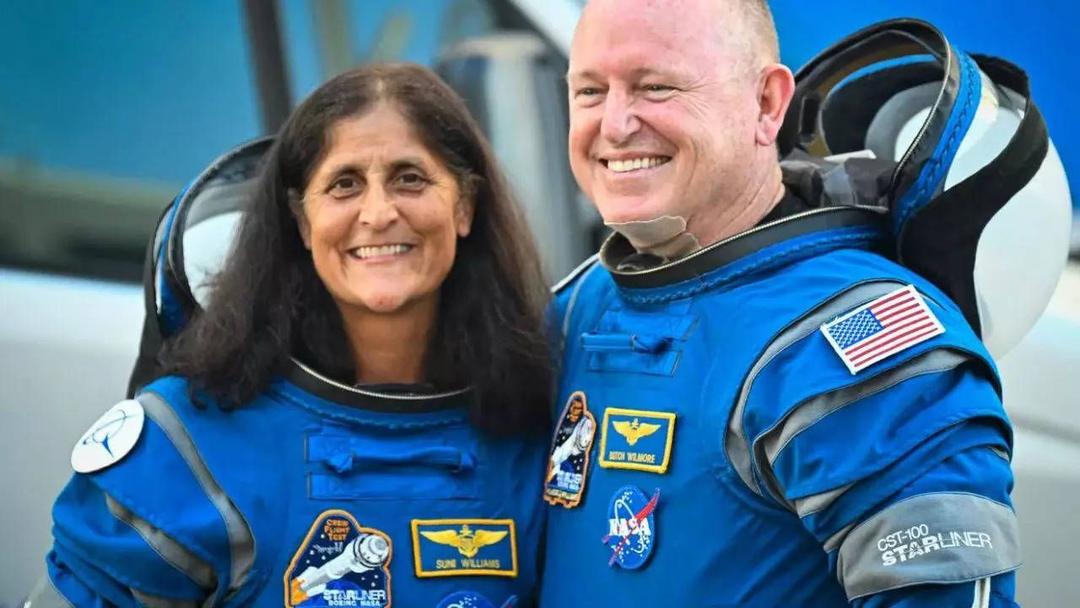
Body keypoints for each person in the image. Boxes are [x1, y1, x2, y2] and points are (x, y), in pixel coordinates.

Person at [540, 1, 1023, 606]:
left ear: (767, 104)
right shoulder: (582, 302)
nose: (614, 125)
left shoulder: (858, 340)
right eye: (589, 91)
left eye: (655, 87)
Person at [29, 64, 552, 608]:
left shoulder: (534, 434)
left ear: (464, 206)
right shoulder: (186, 448)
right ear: (302, 221)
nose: (378, 213)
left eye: (410, 179)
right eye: (345, 184)